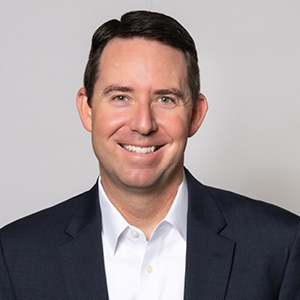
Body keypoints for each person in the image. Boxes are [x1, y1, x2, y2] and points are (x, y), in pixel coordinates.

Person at [0, 10, 299, 300]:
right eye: (121, 97)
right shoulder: (15, 257)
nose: (143, 124)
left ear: (195, 115)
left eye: (165, 99)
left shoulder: (280, 247)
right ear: (87, 109)